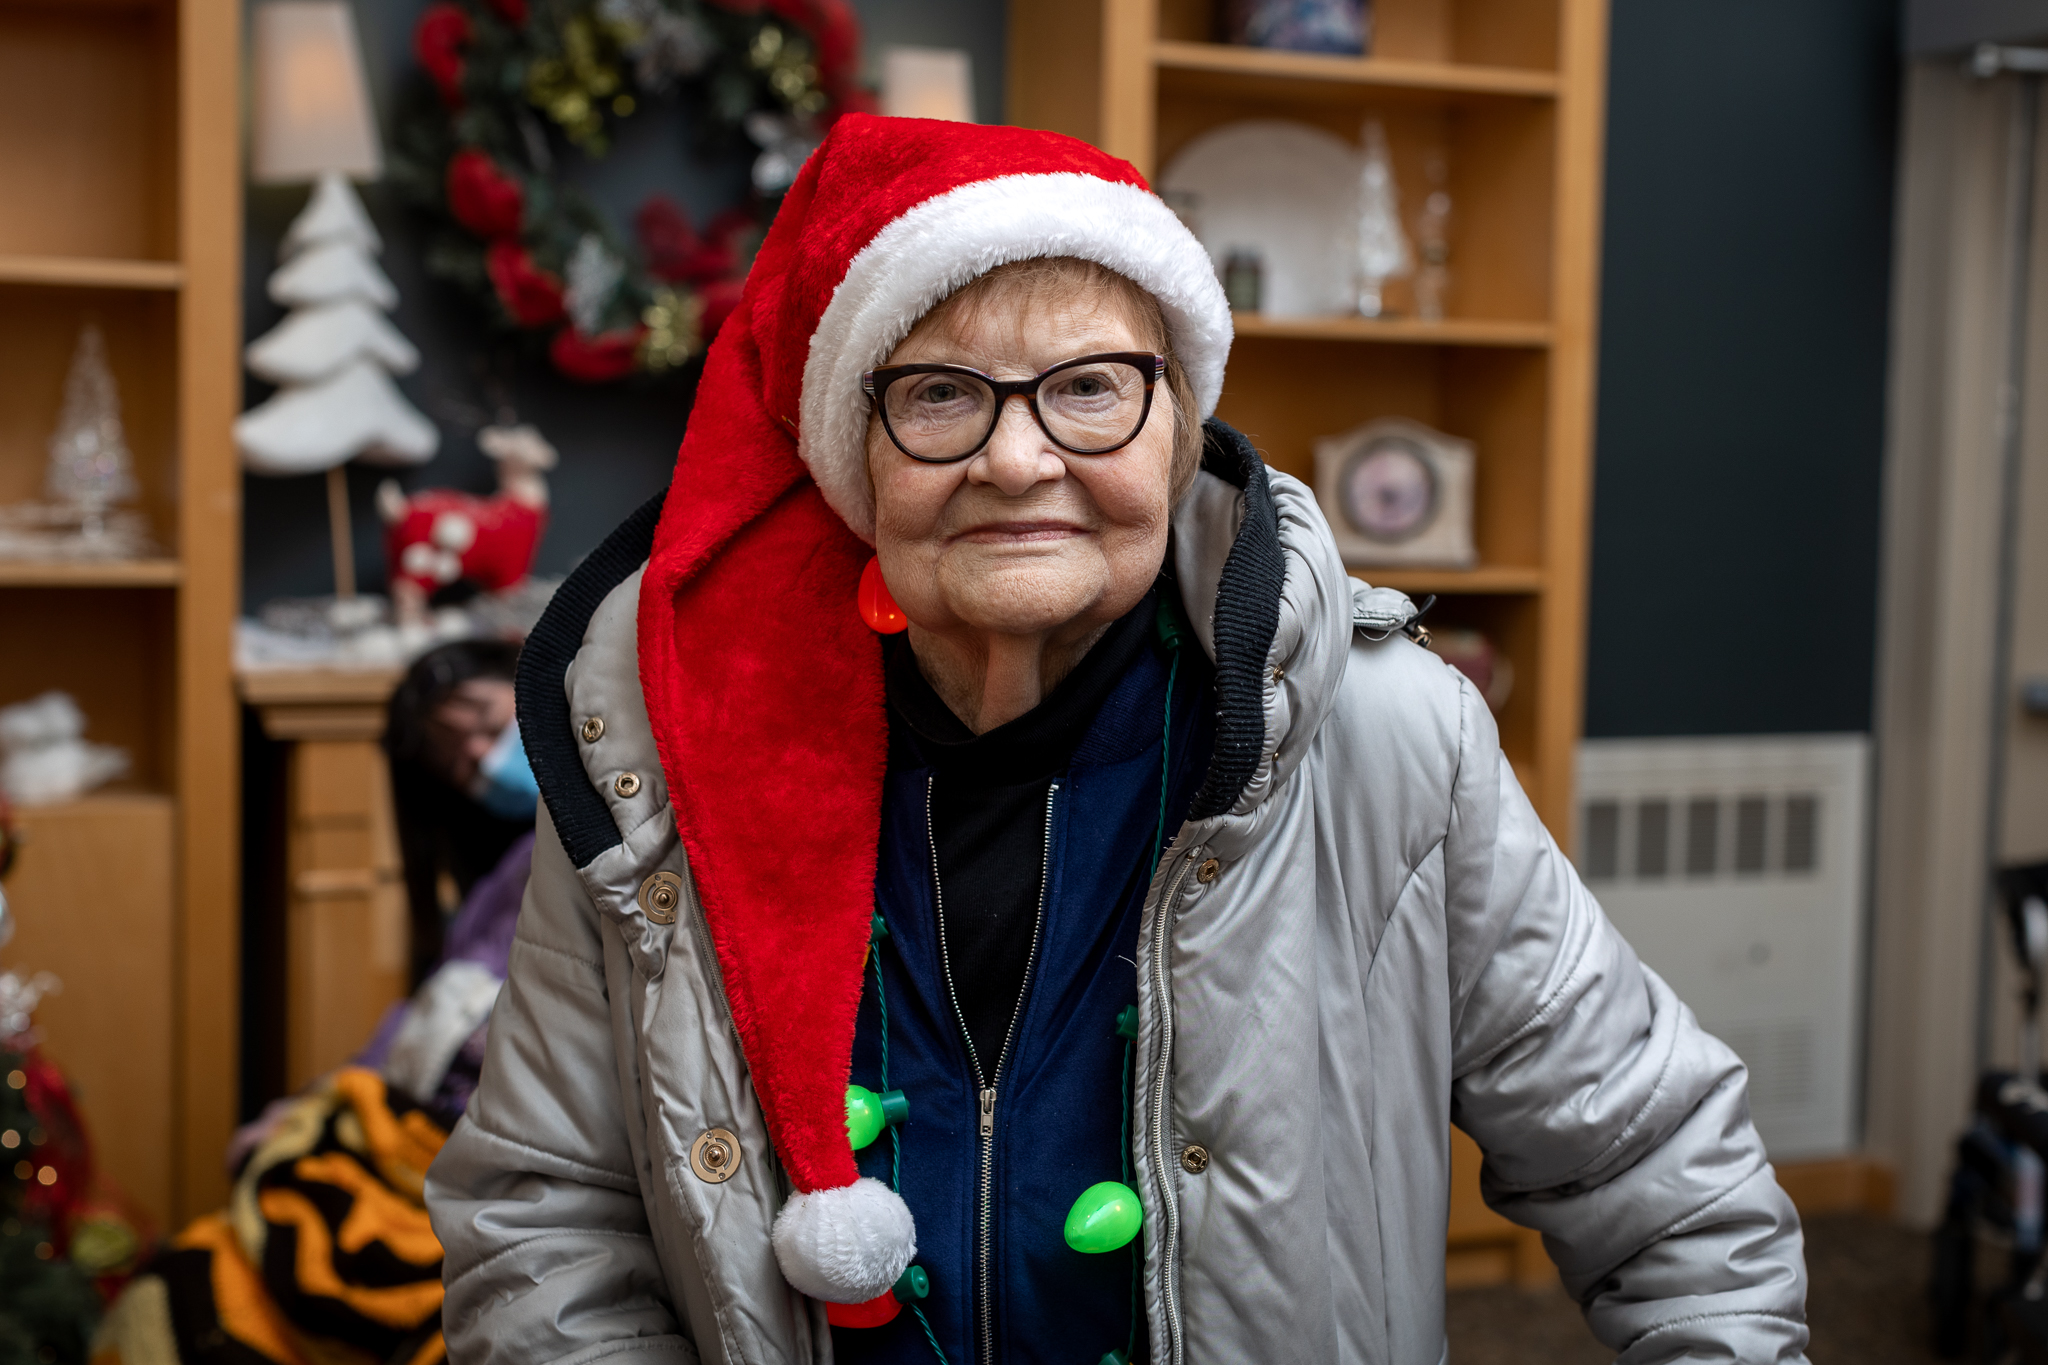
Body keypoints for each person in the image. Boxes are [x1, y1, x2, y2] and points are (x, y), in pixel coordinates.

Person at [426, 115, 1809, 1364]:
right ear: (854, 463)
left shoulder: (1386, 739)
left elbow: (1667, 1172)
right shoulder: (665, 765)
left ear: (1177, 426)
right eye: (941, 394)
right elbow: (541, 1224)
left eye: (1091, 387)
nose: (1019, 458)